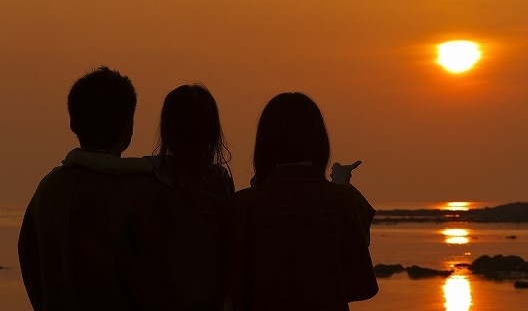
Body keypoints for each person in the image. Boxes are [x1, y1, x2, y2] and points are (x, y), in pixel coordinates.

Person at [63, 84, 235, 310]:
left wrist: (74, 157)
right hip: (213, 297)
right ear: (213, 132)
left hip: (172, 296)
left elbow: (111, 166)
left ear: (167, 128)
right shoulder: (221, 180)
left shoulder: (156, 171)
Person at [18, 66, 177, 310]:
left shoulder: (47, 190)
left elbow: (29, 264)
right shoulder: (144, 193)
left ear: (73, 123)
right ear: (129, 127)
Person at [229, 92, 378, 311]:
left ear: (265, 142)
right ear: (319, 140)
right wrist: (341, 185)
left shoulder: (243, 205)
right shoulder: (342, 200)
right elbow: (362, 285)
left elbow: (235, 290)